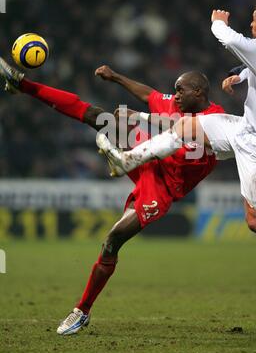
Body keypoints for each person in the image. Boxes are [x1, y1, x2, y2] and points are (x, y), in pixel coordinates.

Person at [0, 59, 224, 334]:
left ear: (199, 93)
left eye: (181, 91)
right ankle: (23, 85)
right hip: (149, 159)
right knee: (98, 115)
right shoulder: (178, 104)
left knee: (112, 240)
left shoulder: (216, 121)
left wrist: (140, 119)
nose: (175, 96)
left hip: (162, 189)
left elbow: (181, 131)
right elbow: (148, 94)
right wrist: (115, 76)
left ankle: (81, 311)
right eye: (174, 91)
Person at [97, 0, 256, 292]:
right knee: (186, 127)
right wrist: (241, 76)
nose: (251, 26)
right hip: (244, 130)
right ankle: (127, 160)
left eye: (254, 22)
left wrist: (218, 21)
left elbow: (229, 39)